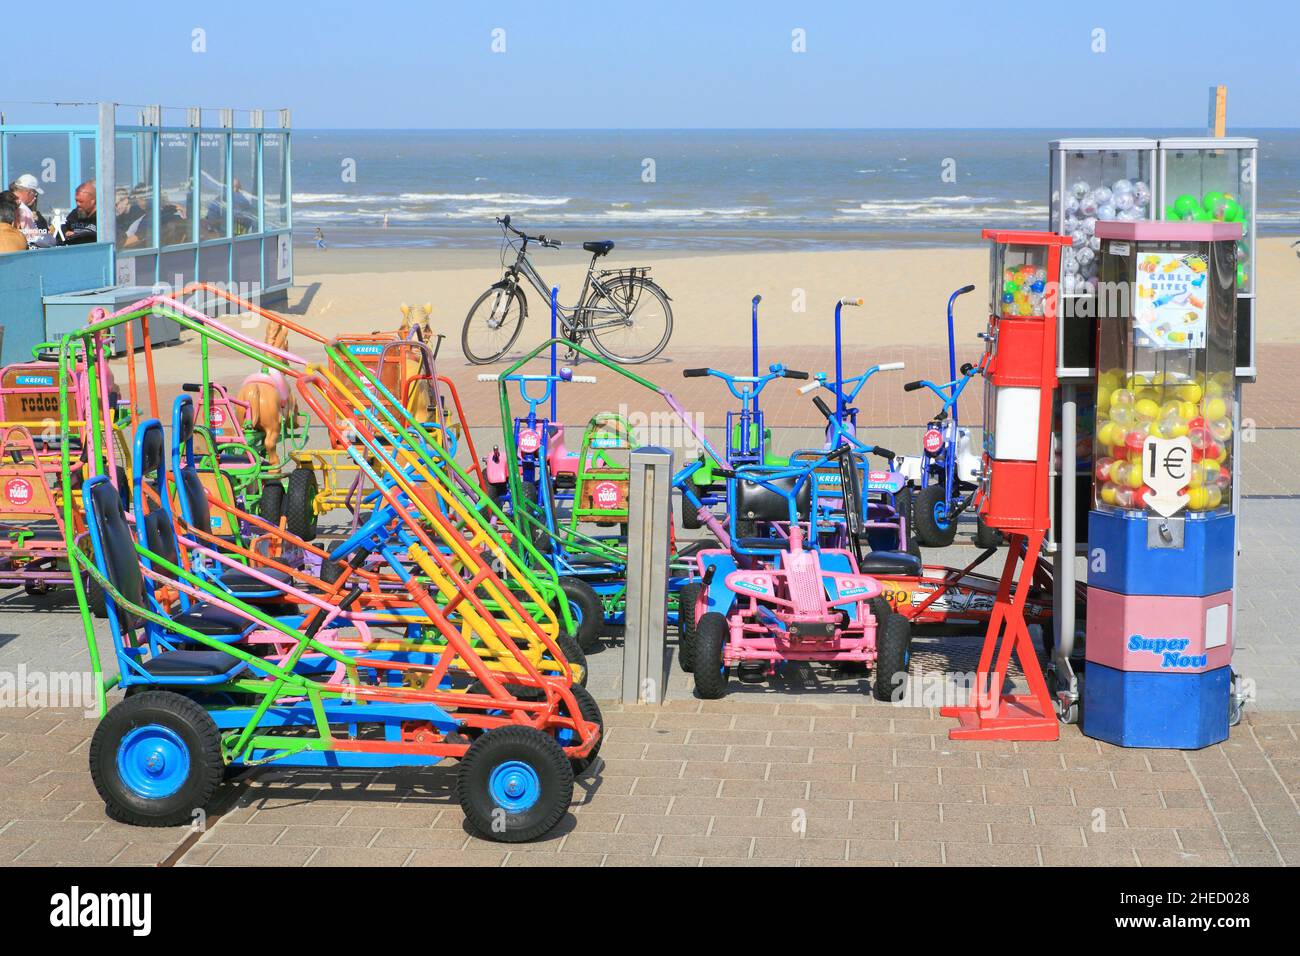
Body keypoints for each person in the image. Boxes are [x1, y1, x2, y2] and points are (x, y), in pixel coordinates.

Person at [59, 180, 97, 245]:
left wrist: (80, 236)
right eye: (76, 201)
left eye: (81, 202)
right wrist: (66, 232)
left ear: (92, 201)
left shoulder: (100, 217)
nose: (78, 204)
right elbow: (62, 226)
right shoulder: (75, 213)